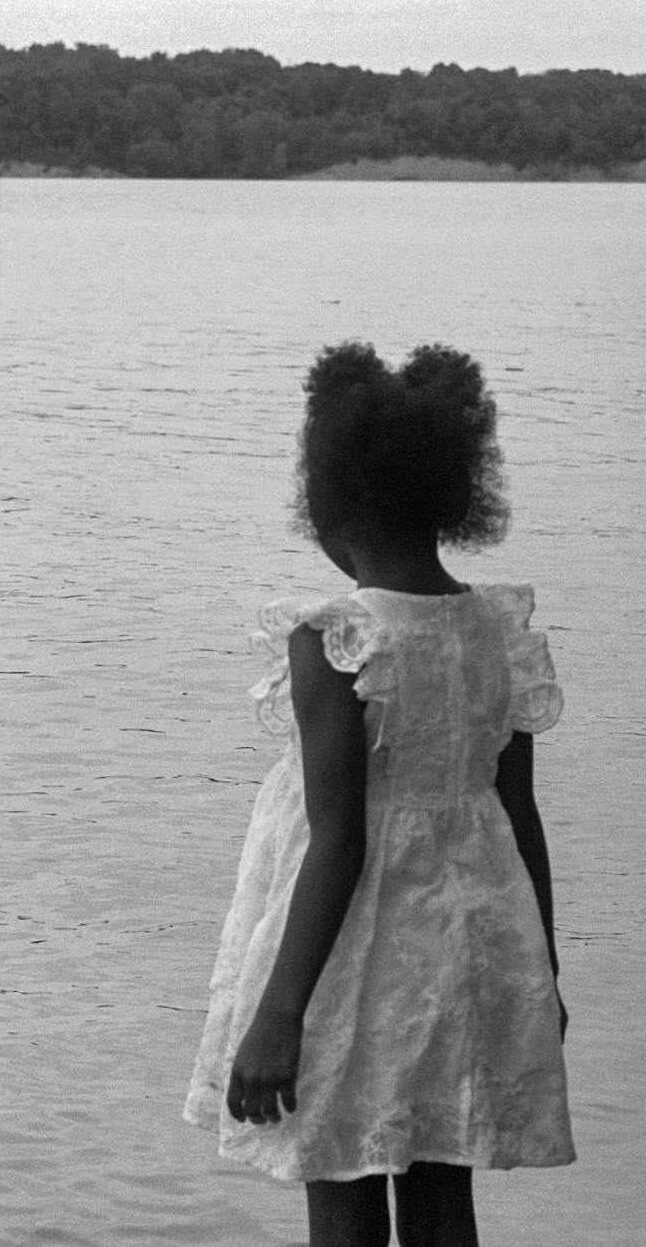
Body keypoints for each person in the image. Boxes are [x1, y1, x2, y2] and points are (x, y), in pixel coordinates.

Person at [184, 343, 573, 1245]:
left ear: (327, 512)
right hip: (472, 953)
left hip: (353, 960)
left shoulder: (336, 639)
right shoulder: (497, 634)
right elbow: (520, 821)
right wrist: (541, 975)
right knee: (442, 1200)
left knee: (339, 1179)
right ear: (452, 500)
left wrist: (279, 1013)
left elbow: (339, 841)